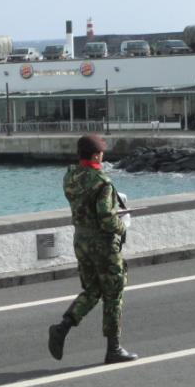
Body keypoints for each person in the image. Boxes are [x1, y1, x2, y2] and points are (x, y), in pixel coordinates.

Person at [47, 135, 139, 364]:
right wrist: (122, 225)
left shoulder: (70, 176)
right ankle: (113, 348)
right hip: (103, 245)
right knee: (113, 293)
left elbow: (83, 206)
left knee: (92, 290)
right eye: (101, 152)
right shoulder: (102, 182)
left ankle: (62, 327)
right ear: (96, 155)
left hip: (81, 240)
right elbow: (107, 219)